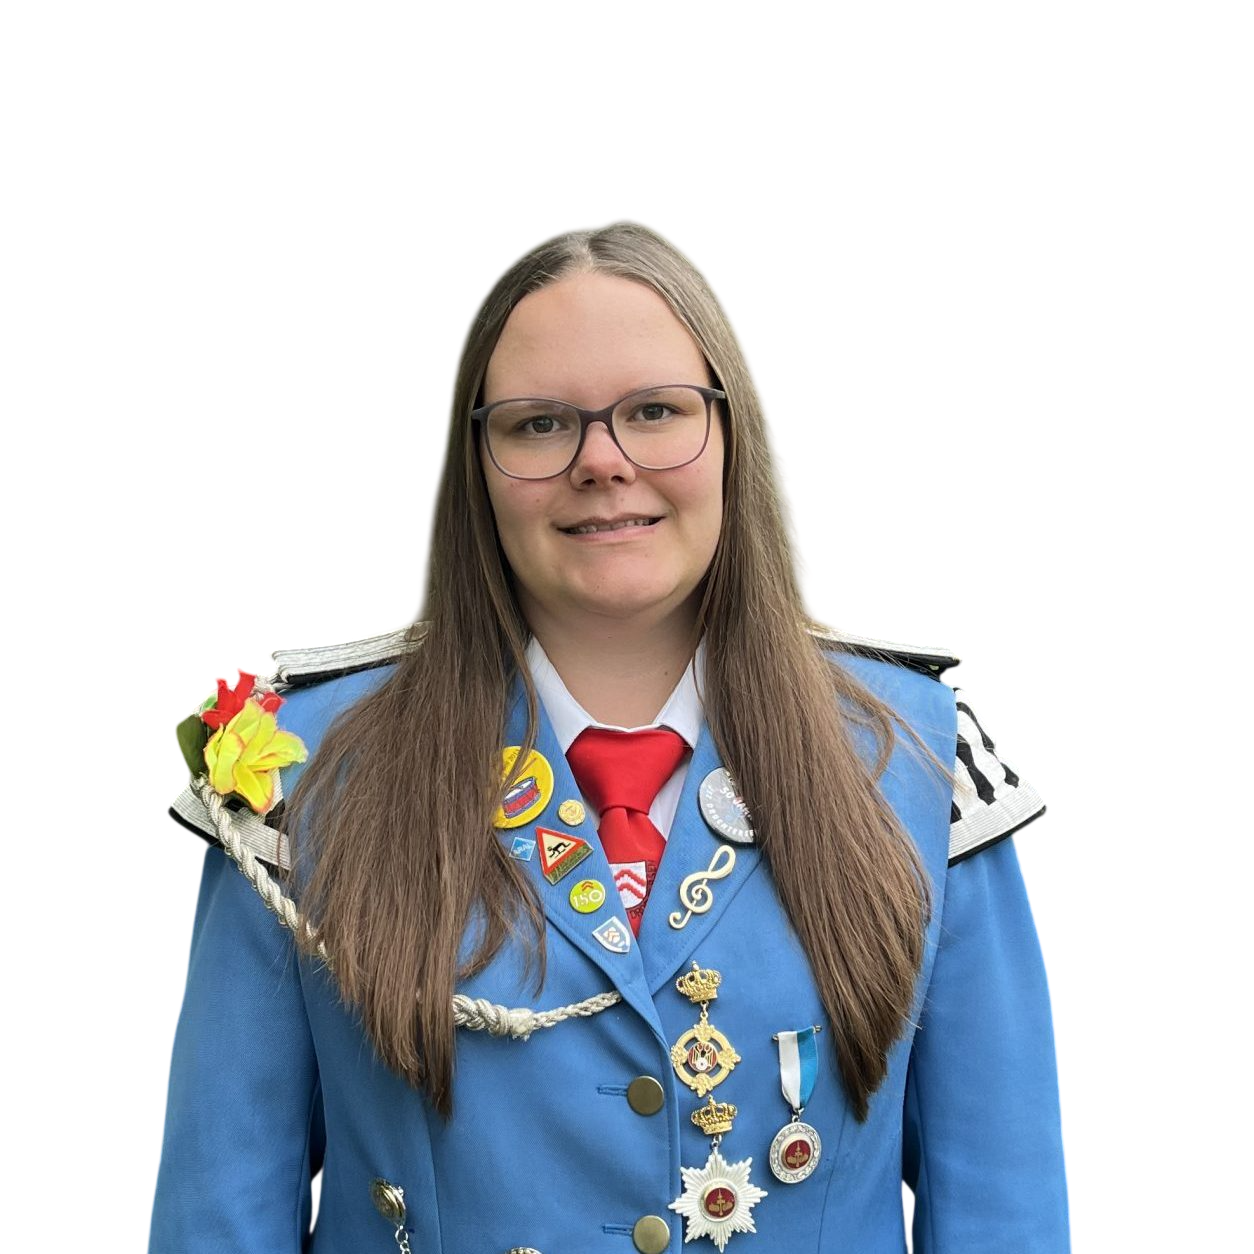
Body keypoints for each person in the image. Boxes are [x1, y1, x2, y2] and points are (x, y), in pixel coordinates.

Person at [151, 217, 1071, 1253]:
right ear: (474, 462)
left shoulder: (925, 760)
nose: (602, 461)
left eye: (655, 411)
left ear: (734, 432)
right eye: (540, 424)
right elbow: (217, 1220)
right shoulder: (300, 771)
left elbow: (1006, 1220)